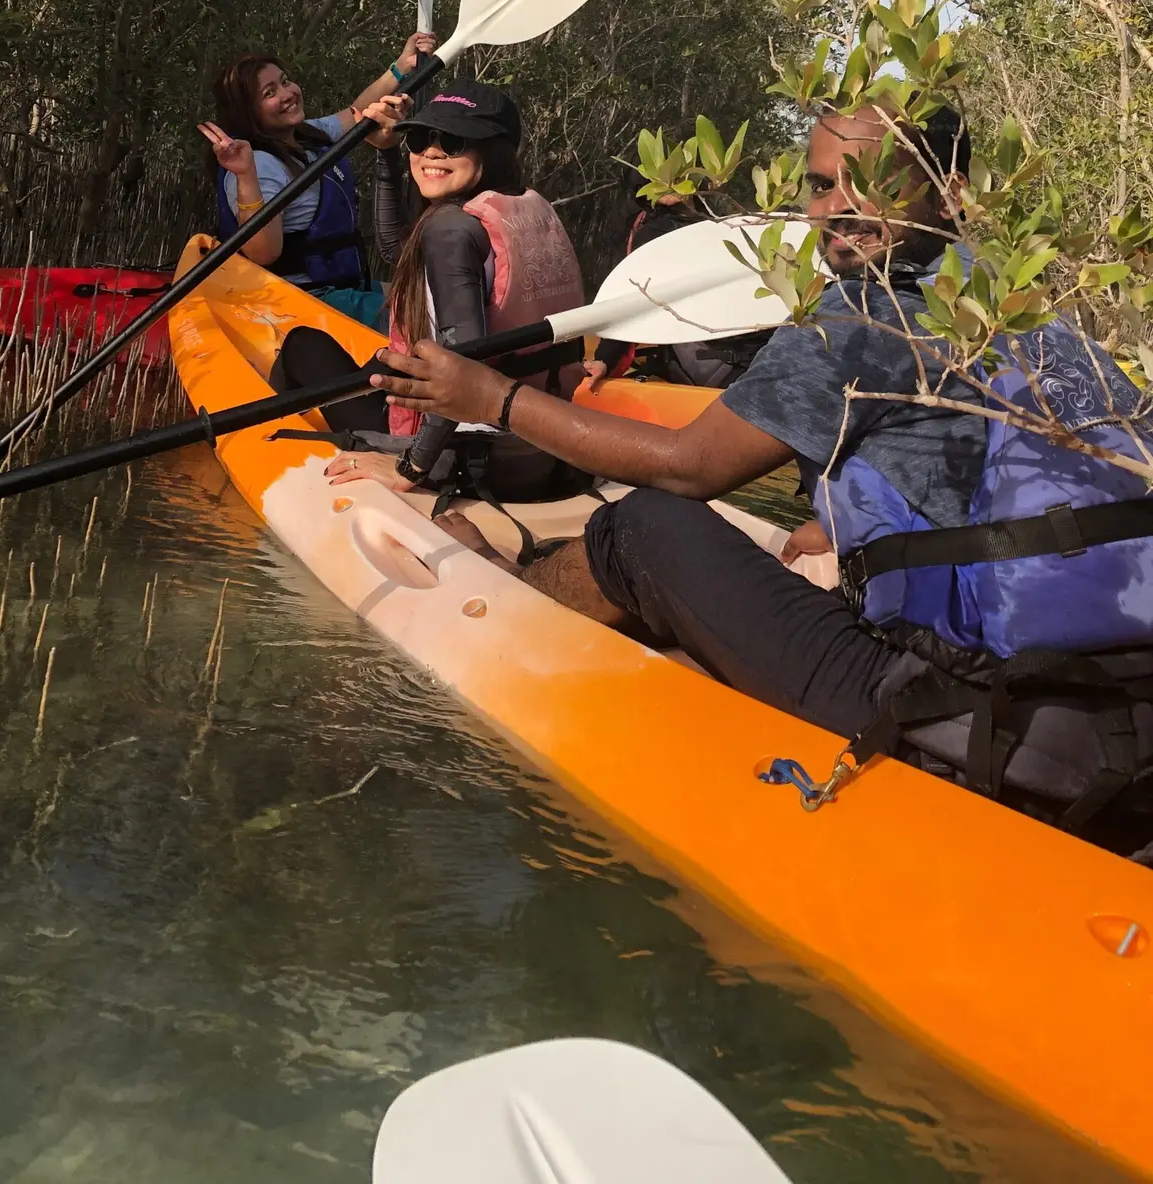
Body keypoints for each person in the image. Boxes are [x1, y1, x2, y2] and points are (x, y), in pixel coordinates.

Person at [370, 101, 1153, 858]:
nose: (838, 206)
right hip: (1110, 708)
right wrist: (839, 527)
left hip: (951, 708)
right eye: (820, 184)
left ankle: (511, 589)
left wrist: (491, 399)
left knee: (643, 527)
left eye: (872, 178)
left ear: (946, 189)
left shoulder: (860, 319)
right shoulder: (1015, 301)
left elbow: (690, 468)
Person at [318, 79, 586, 504]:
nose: (432, 151)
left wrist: (410, 468)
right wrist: (387, 153)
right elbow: (395, 248)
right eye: (422, 137)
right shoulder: (524, 206)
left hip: (471, 462)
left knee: (305, 350)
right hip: (543, 450)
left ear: (491, 150)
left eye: (454, 141)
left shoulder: (452, 227)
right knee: (363, 370)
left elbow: (461, 362)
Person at [198, 34, 434, 328]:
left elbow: (356, 114)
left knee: (430, 298)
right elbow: (264, 252)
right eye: (269, 93)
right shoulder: (259, 163)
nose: (286, 94)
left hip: (341, 287)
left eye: (285, 81)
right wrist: (245, 174)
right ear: (247, 111)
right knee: (430, 316)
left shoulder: (303, 135)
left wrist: (400, 67)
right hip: (303, 300)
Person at [583, 192, 773, 392]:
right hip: (726, 364)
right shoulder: (656, 229)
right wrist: (605, 359)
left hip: (736, 363)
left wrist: (606, 358)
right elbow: (631, 300)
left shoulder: (718, 219)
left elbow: (629, 301)